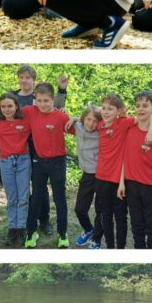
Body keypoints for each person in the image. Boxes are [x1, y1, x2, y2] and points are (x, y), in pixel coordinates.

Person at [92, 93, 152, 250]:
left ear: (119, 111)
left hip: (118, 181)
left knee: (120, 218)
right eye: (104, 108)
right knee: (105, 216)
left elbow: (150, 115)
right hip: (100, 178)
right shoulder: (99, 125)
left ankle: (120, 248)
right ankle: (110, 247)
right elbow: (81, 122)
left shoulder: (123, 123)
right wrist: (73, 119)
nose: (106, 112)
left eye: (110, 109)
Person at [22, 83, 72, 248]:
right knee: (36, 197)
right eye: (39, 100)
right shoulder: (30, 111)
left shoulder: (61, 116)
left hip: (58, 162)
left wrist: (75, 118)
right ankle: (31, 233)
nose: (42, 104)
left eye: (46, 101)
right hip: (39, 162)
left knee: (59, 199)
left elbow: (84, 127)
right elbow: (4, 109)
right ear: (35, 99)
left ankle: (63, 234)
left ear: (53, 99)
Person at [118, 91, 152, 249]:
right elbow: (125, 158)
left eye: (145, 105)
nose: (141, 109)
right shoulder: (129, 130)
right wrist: (121, 183)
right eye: (138, 105)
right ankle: (139, 248)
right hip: (131, 184)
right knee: (136, 222)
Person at [0, 93, 32, 247]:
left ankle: (21, 229)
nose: (7, 109)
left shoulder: (26, 118)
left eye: (10, 106)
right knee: (11, 198)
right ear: (0, 108)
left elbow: (45, 110)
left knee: (23, 197)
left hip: (23, 161)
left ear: (16, 106)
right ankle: (12, 229)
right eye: (3, 106)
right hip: (5, 162)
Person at [67, 104, 102, 248]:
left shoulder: (102, 132)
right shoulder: (78, 127)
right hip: (87, 174)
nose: (91, 123)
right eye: (88, 119)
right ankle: (88, 230)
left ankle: (97, 240)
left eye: (95, 121)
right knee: (80, 209)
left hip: (102, 175)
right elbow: (58, 113)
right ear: (83, 119)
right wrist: (74, 118)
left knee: (101, 210)